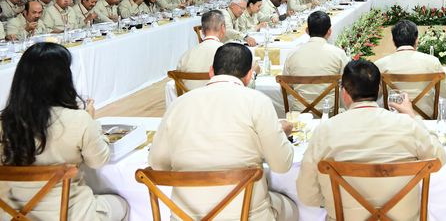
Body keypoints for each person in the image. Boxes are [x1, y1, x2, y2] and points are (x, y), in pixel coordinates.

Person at [150, 43, 298, 220]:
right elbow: (282, 165)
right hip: (246, 215)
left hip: (185, 216)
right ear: (249, 76)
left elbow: (157, 164)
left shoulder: (178, 104)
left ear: (211, 71)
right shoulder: (257, 102)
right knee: (291, 208)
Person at [297, 59, 446, 219]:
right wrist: (412, 116)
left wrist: (331, 202)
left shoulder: (325, 130)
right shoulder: (407, 125)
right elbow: (440, 158)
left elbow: (307, 194)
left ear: (344, 92)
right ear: (379, 89)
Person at [0, 42, 128, 220]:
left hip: (14, 214)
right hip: (70, 213)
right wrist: (92, 121)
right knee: (122, 205)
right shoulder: (78, 119)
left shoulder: (4, 122)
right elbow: (99, 161)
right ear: (63, 79)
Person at [375, 20, 446, 118]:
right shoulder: (433, 62)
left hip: (394, 120)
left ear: (393, 40)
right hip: (426, 120)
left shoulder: (380, 64)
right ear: (416, 39)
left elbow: (376, 96)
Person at [282, 11, 350, 113]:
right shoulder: (338, 54)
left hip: (300, 112)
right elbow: (346, 84)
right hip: (330, 111)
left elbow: (286, 88)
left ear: (307, 31)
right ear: (329, 31)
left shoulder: (292, 54)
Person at [175, 10, 226, 91]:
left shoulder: (186, 55)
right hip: (217, 100)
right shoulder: (228, 53)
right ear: (223, 28)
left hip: (191, 100)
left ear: (202, 31)